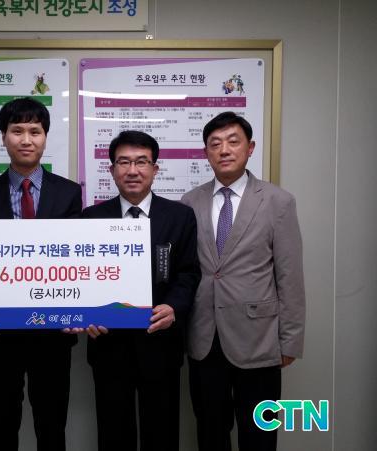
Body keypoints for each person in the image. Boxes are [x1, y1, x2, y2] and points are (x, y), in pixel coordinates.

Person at [181, 112, 306, 451]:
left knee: (259, 436)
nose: (224, 150)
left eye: (233, 142)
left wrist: (290, 340)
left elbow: (290, 275)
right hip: (204, 337)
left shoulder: (278, 201)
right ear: (206, 152)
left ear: (250, 148)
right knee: (210, 432)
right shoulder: (190, 202)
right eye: (215, 144)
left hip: (259, 339)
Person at [0, 97, 82, 451]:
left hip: (53, 333)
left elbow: (76, 262)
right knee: (1, 427)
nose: (26, 139)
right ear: (4, 137)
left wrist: (78, 311)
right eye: (17, 131)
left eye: (35, 131)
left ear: (45, 137)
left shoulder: (69, 193)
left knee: (52, 427)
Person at [81, 130, 201, 451]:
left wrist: (174, 307)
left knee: (161, 435)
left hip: (160, 344)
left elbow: (189, 273)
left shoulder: (180, 216)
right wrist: (86, 314)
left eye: (141, 162)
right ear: (111, 170)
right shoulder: (91, 218)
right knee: (113, 435)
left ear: (155, 169)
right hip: (108, 346)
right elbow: (80, 277)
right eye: (123, 162)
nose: (132, 170)